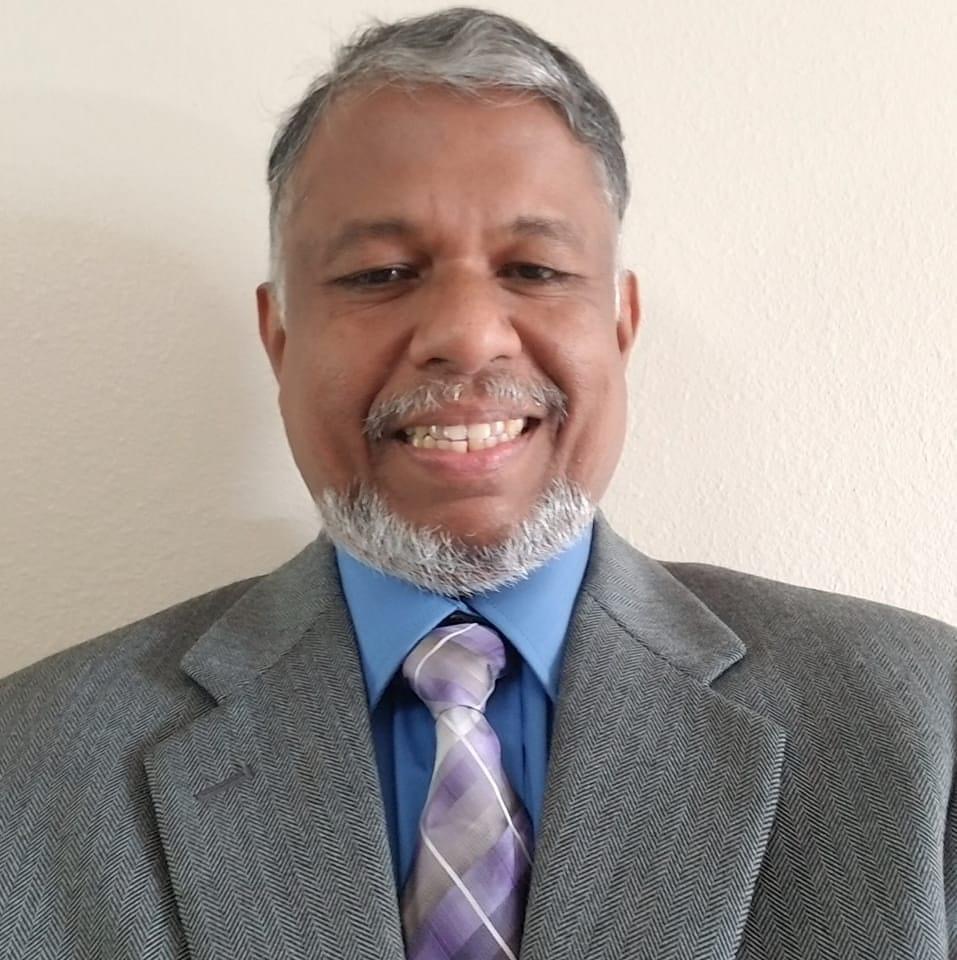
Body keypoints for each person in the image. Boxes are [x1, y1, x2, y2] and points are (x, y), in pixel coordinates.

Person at [1, 7, 954, 959]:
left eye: (534, 268)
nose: (466, 334)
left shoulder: (924, 729)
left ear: (620, 326)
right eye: (380, 274)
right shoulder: (30, 769)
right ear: (279, 339)